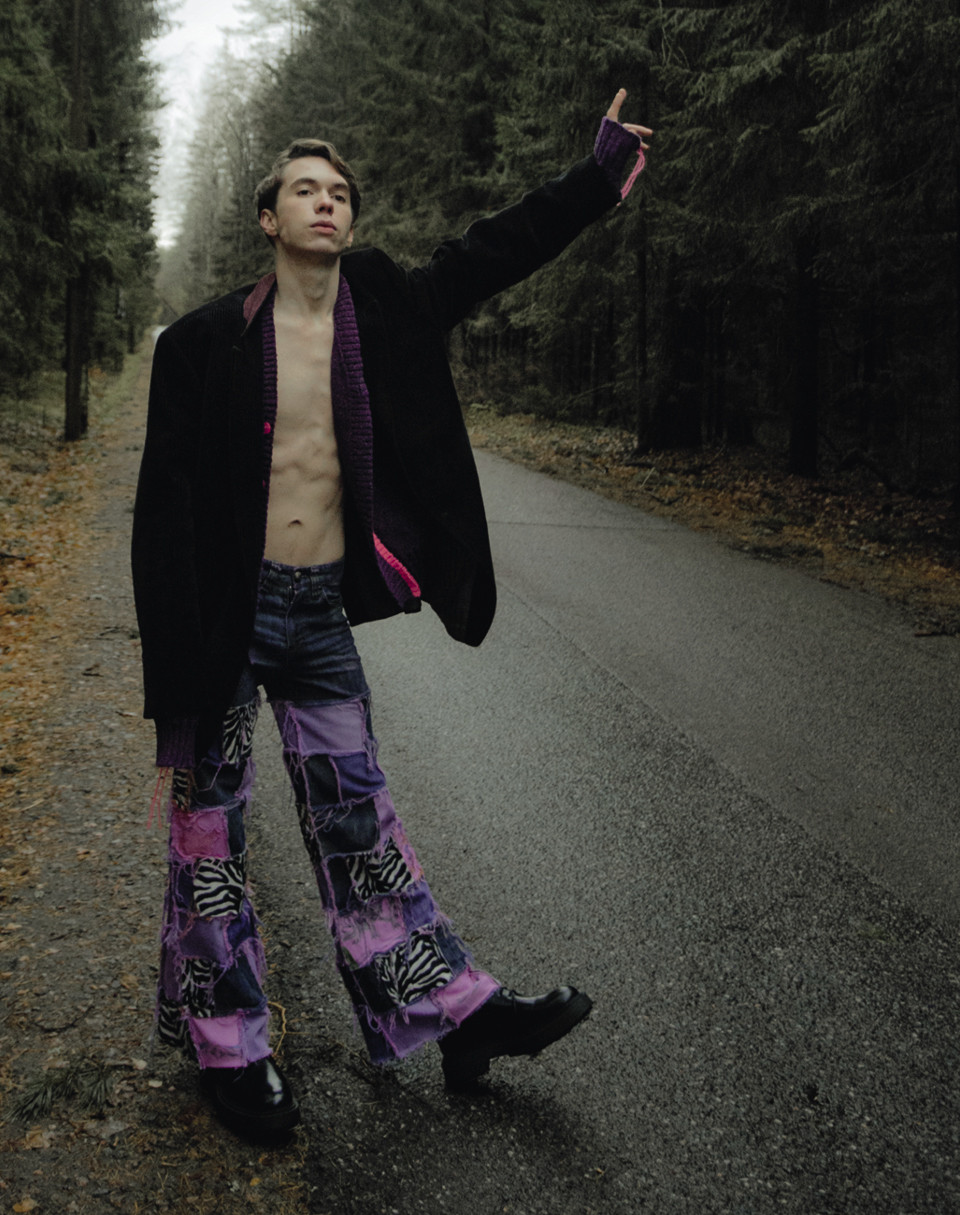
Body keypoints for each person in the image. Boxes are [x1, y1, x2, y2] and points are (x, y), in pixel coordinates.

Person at [132, 90, 651, 1139]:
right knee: (209, 835)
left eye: (339, 191)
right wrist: (175, 677)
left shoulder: (381, 311)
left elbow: (492, 250)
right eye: (304, 190)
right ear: (268, 218)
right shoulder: (204, 343)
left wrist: (596, 178)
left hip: (317, 611)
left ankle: (451, 1012)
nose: (326, 201)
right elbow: (163, 517)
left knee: (359, 825)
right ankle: (229, 1047)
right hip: (225, 619)